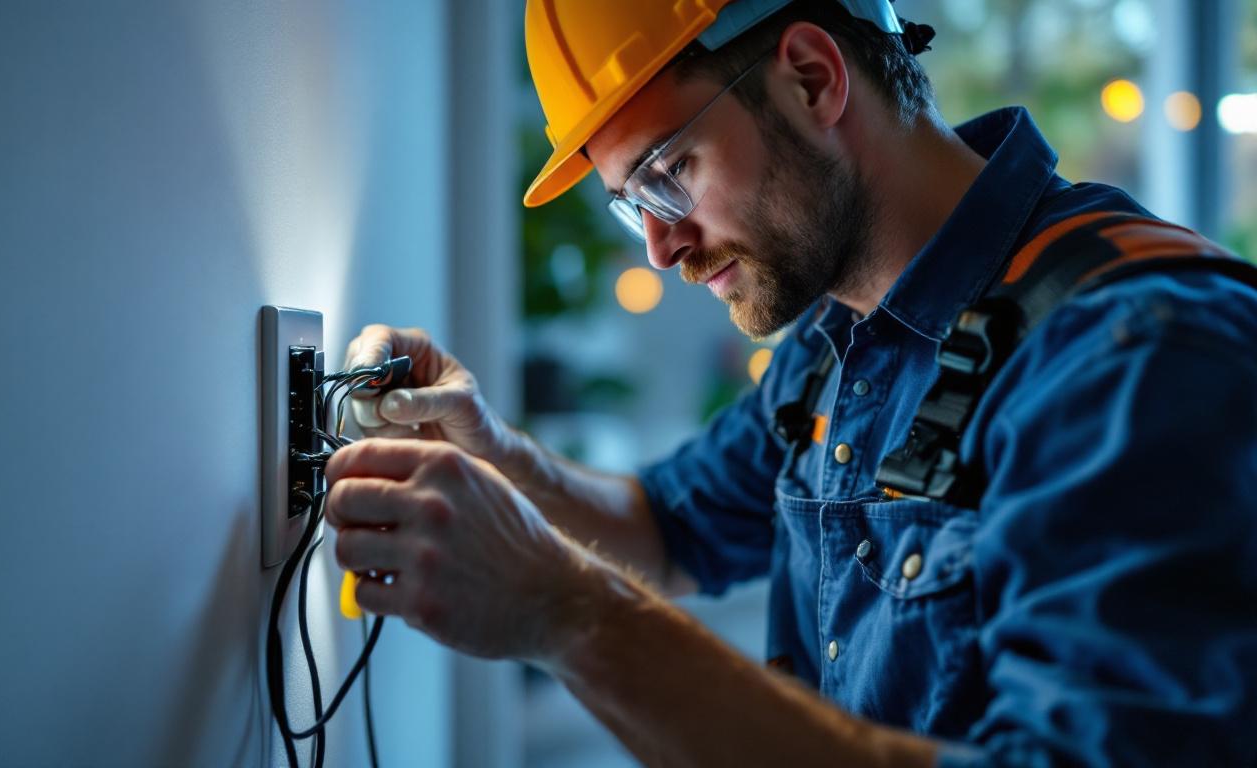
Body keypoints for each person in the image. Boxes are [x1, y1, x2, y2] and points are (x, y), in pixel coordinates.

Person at [323, 0, 1257, 764]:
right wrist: (488, 447)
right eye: (632, 206)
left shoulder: (1134, 355)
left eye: (668, 175)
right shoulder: (832, 340)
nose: (660, 249)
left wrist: (568, 613)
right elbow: (667, 528)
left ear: (811, 78)